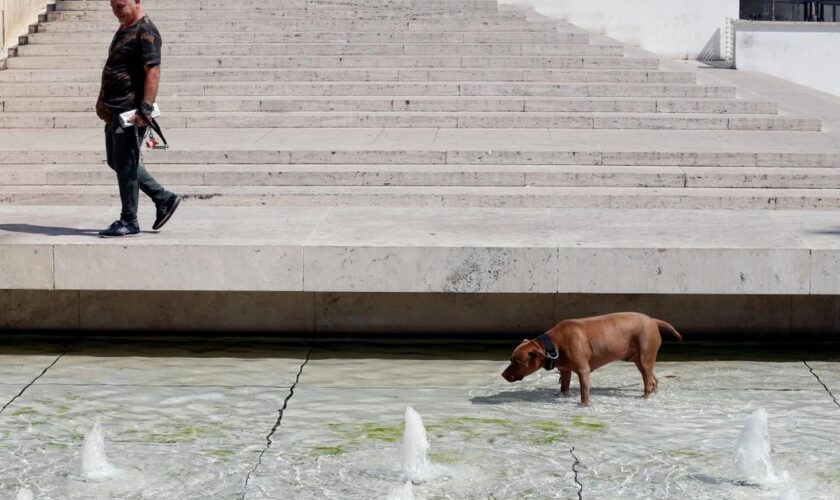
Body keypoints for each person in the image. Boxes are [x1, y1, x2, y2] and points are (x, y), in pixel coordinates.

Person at [96, 0, 180, 237]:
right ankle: (164, 198)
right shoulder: (125, 27)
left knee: (126, 162)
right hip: (115, 111)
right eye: (112, 6)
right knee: (116, 160)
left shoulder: (146, 30)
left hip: (130, 112)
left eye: (120, 5)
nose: (115, 10)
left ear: (136, 1)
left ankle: (129, 220)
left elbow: (153, 71)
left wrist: (145, 108)